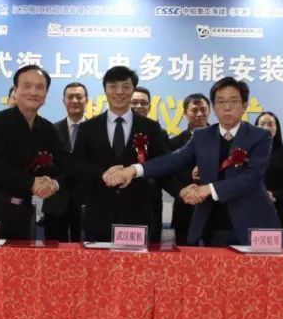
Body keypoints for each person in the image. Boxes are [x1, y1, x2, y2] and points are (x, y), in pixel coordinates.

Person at [104, 77, 278, 246]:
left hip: (251, 223)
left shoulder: (260, 136)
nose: (227, 107)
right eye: (221, 101)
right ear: (214, 107)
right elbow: (174, 160)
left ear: (244, 105)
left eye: (233, 101)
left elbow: (252, 177)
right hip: (211, 224)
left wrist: (207, 189)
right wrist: (133, 170)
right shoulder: (202, 136)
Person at [74, 67, 171, 242]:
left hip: (137, 217)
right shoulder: (88, 128)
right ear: (105, 90)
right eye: (113, 86)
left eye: (125, 86)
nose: (119, 92)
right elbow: (77, 165)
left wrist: (182, 191)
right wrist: (102, 173)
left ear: (133, 90)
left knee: (135, 261)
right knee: (98, 260)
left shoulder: (151, 127)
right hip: (98, 218)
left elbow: (162, 164)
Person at [0, 65, 69, 240]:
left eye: (39, 87)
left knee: (21, 258)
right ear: (16, 91)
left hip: (23, 211)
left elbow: (65, 166)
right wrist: (31, 182)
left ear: (46, 94)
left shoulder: (49, 130)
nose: (33, 92)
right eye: (27, 86)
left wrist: (54, 183)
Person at [42, 82, 88, 242]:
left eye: (79, 97)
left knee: (86, 253)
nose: (75, 101)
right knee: (53, 253)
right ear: (64, 101)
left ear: (86, 100)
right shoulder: (50, 130)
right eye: (70, 97)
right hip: (55, 203)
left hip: (87, 204)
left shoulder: (97, 130)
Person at [168, 93, 211, 245]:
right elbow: (170, 177)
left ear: (209, 111)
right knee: (185, 255)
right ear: (185, 113)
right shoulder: (174, 143)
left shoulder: (224, 139)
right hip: (185, 210)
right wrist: (190, 176)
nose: (199, 114)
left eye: (203, 109)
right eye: (194, 110)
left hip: (216, 211)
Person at [130, 85, 163, 242]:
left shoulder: (157, 131)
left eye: (143, 103)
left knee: (152, 246)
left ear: (149, 107)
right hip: (122, 199)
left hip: (151, 199)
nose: (139, 106)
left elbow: (165, 163)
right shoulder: (116, 129)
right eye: (134, 102)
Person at [254, 111, 283, 228]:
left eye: (270, 124)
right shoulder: (246, 153)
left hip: (276, 207)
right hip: (250, 208)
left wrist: (274, 195)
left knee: (275, 240)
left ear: (277, 128)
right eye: (262, 124)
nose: (266, 128)